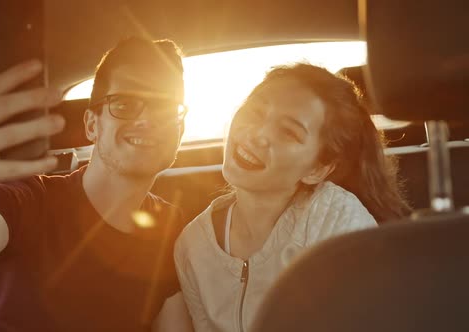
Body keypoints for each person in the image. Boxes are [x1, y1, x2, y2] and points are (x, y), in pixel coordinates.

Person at [0, 37, 194, 332]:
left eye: (165, 107)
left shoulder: (169, 225)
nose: (147, 119)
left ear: (179, 131)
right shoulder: (30, 199)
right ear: (92, 126)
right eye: (125, 103)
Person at [173, 64, 411, 332]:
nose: (257, 134)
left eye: (288, 132)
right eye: (255, 111)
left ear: (317, 169)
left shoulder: (335, 220)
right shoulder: (192, 246)